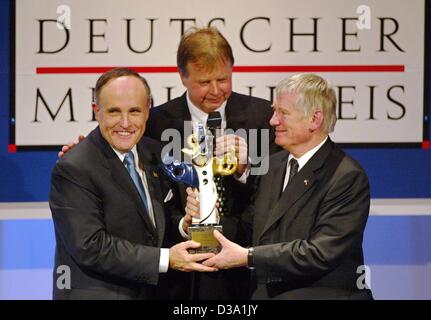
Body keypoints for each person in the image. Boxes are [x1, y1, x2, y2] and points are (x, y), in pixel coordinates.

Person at [187, 73, 374, 300]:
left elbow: (320, 253)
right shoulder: (273, 165)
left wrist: (250, 256)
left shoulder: (346, 176)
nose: (273, 120)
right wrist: (204, 221)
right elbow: (249, 228)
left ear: (315, 119)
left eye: (283, 113)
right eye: (275, 111)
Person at [49, 68, 217, 300]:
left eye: (135, 111)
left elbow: (152, 225)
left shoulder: (155, 153)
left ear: (148, 110)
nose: (125, 123)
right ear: (96, 112)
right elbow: (90, 246)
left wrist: (185, 225)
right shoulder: (74, 167)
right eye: (114, 112)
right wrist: (167, 259)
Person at [145, 26, 277, 300]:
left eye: (224, 79)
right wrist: (183, 224)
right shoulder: (156, 123)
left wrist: (246, 168)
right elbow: (152, 192)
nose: (217, 91)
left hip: (244, 264)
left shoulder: (261, 116)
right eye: (205, 82)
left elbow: (275, 189)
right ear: (182, 77)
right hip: (180, 268)